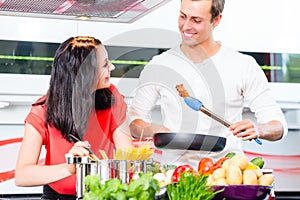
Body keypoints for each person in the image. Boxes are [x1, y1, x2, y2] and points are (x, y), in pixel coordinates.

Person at [128, 0, 287, 169]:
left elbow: (278, 125)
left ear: (216, 20)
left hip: (226, 172)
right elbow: (134, 121)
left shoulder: (243, 65)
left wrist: (259, 129)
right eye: (182, 17)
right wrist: (155, 130)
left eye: (196, 20)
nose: (186, 26)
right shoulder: (160, 64)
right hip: (174, 173)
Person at [15, 36, 133, 199]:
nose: (112, 67)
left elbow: (128, 157)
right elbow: (22, 175)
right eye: (105, 64)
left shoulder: (112, 98)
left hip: (102, 194)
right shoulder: (42, 110)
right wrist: (70, 168)